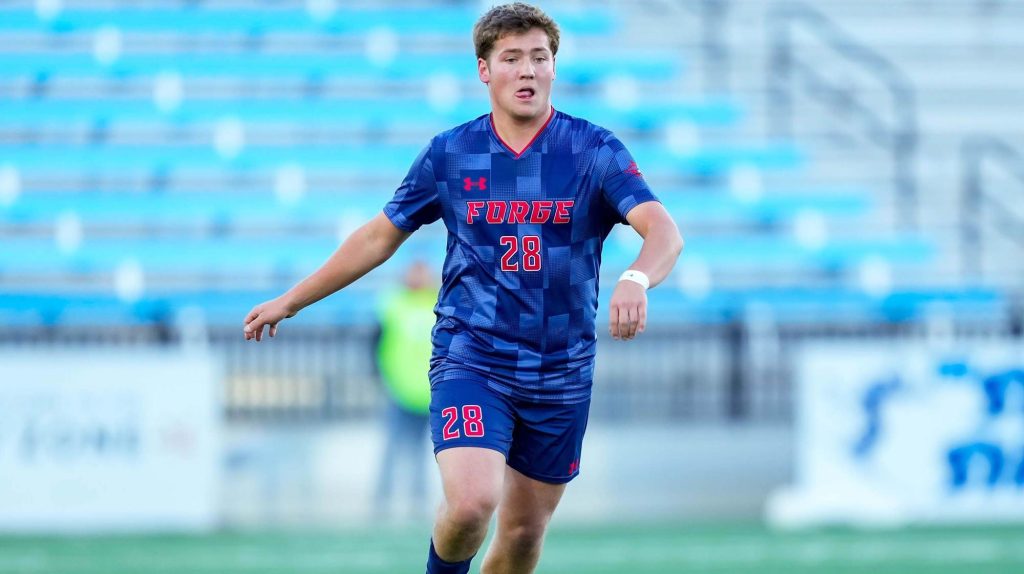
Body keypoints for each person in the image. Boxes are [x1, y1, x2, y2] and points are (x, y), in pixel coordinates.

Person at [242, 3, 684, 573]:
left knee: (523, 535)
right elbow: (380, 237)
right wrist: (291, 300)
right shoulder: (451, 152)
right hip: (473, 357)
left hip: (561, 369)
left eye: (539, 58)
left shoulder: (593, 150)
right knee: (473, 503)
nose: (527, 70)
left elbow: (664, 231)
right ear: (484, 69)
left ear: (554, 67)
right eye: (512, 58)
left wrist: (635, 277)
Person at [372, 260, 436, 521]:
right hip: (400, 391)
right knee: (393, 450)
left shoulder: (439, 303)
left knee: (424, 453)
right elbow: (376, 344)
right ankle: (381, 503)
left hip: (431, 392)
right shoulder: (393, 305)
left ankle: (417, 504)